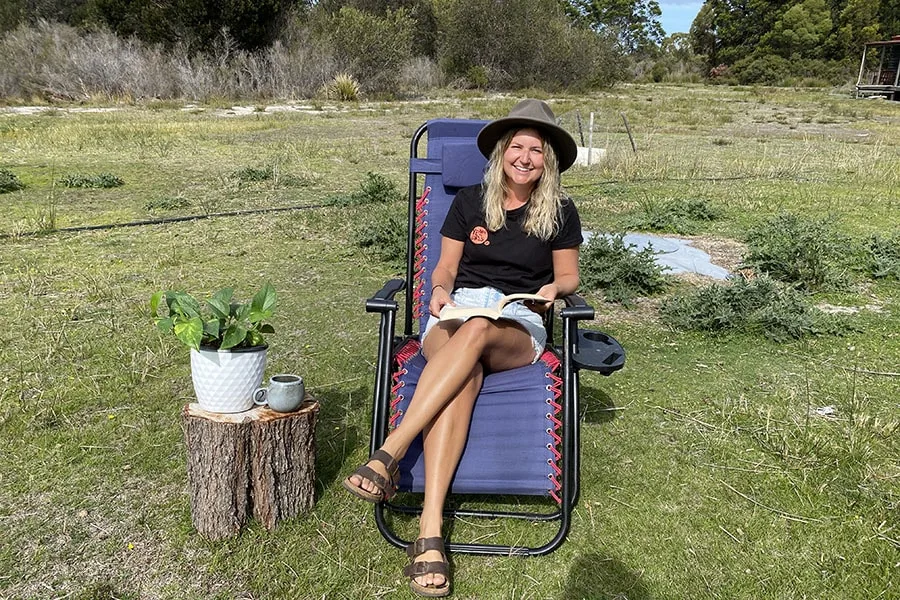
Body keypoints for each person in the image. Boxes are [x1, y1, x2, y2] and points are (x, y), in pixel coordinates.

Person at [343, 99, 582, 597]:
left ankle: (390, 450)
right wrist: (436, 291)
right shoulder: (471, 199)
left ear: (548, 161)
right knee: (464, 371)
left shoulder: (559, 211)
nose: (525, 156)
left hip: (517, 319)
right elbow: (446, 267)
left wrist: (553, 292)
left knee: (476, 330)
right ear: (501, 153)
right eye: (516, 146)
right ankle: (430, 531)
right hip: (458, 310)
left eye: (535, 150)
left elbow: (568, 276)